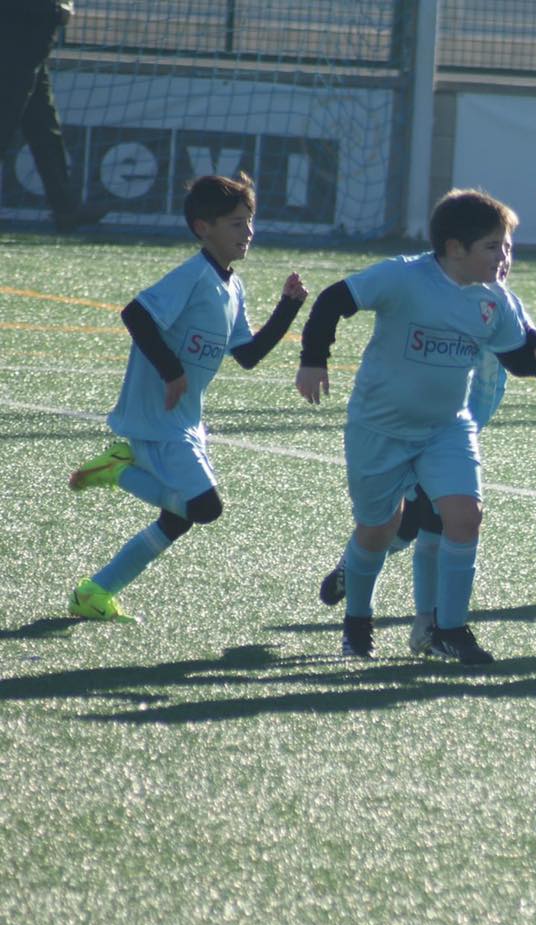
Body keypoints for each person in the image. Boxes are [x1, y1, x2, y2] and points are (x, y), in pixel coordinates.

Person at [296, 188, 536, 664]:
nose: (503, 258)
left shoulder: (493, 301)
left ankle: (449, 630)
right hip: (380, 427)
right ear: (455, 248)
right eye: (493, 247)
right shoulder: (403, 277)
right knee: (379, 530)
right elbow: (335, 299)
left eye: (505, 246)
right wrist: (313, 360)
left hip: (447, 428)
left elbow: (521, 358)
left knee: (465, 516)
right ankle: (357, 623)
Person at [65, 173, 305, 622]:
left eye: (249, 221)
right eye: (236, 223)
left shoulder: (231, 286)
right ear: (203, 228)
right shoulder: (193, 275)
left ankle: (95, 591)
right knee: (205, 507)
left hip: (186, 420)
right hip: (157, 417)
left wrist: (288, 307)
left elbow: (248, 355)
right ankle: (120, 471)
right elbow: (135, 314)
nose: (247, 232)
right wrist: (171, 371)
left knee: (177, 520)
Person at [0, 1, 106, 232]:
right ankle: (66, 208)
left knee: (45, 130)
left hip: (32, 48)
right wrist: (55, 11)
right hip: (15, 45)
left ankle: (66, 208)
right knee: (5, 124)